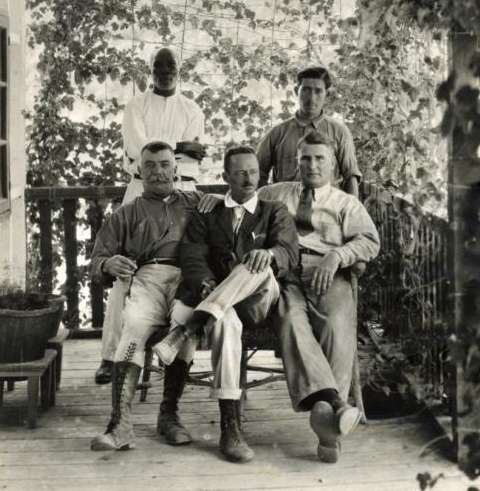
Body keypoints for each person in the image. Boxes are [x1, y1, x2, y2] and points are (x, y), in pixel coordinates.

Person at [151, 146, 299, 462]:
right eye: (241, 173)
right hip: (219, 300)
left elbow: (289, 252)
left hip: (259, 300)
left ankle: (190, 326)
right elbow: (192, 255)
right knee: (224, 321)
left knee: (254, 264)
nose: (249, 179)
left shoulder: (274, 211)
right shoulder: (209, 212)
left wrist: (270, 254)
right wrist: (205, 282)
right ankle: (230, 428)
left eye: (254, 172)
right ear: (225, 177)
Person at [258, 130, 381, 463]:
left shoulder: (345, 203)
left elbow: (370, 241)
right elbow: (239, 202)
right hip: (286, 273)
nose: (312, 165)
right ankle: (334, 412)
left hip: (330, 272)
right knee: (290, 317)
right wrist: (210, 199)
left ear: (333, 166)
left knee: (337, 328)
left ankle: (327, 417)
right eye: (306, 159)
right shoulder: (274, 193)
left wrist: (338, 256)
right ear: (296, 163)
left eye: (319, 159)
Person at [95, 46, 206, 385]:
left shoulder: (192, 109)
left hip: (183, 195)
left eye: (170, 65)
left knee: (181, 267)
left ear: (179, 69)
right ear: (150, 70)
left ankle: (175, 356)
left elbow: (191, 161)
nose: (164, 71)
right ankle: (111, 357)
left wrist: (177, 154)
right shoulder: (135, 106)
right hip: (140, 192)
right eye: (158, 66)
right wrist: (178, 148)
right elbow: (137, 149)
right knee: (124, 274)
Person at [88, 141, 202, 451]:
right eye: (149, 165)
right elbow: (96, 262)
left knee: (186, 328)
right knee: (134, 328)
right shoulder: (127, 213)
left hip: (188, 278)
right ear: (139, 171)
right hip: (147, 278)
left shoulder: (196, 203)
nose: (157, 171)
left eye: (164, 164)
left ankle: (169, 416)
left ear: (176, 169)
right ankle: (120, 423)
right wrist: (108, 263)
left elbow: (235, 215)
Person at [256, 65, 362, 197]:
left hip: (328, 209)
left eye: (318, 91)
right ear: (296, 91)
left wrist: (351, 213)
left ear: (327, 94)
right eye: (306, 89)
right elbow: (258, 174)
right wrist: (264, 207)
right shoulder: (277, 133)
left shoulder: (340, 132)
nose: (311, 97)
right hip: (285, 210)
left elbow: (350, 175)